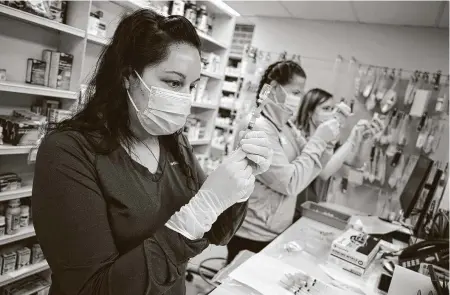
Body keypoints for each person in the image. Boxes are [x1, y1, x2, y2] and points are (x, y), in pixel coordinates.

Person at [31, 10, 273, 295]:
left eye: (191, 86)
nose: (185, 98)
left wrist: (238, 185)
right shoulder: (67, 151)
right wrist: (194, 217)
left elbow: (217, 232)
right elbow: (92, 289)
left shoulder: (172, 140)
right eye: (173, 82)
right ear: (127, 76)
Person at [226, 60, 341, 264]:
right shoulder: (257, 127)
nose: (298, 99)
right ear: (273, 90)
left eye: (300, 94)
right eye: (295, 92)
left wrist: (329, 142)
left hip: (274, 228)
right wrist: (319, 139)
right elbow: (290, 183)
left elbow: (312, 163)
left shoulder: (284, 125)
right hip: (252, 232)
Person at [293, 88, 384, 220]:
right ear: (310, 112)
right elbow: (324, 173)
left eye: (332, 109)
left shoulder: (329, 142)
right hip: (294, 212)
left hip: (312, 210)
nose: (332, 114)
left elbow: (356, 162)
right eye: (326, 109)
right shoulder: (300, 139)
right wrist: (352, 140)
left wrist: (364, 139)